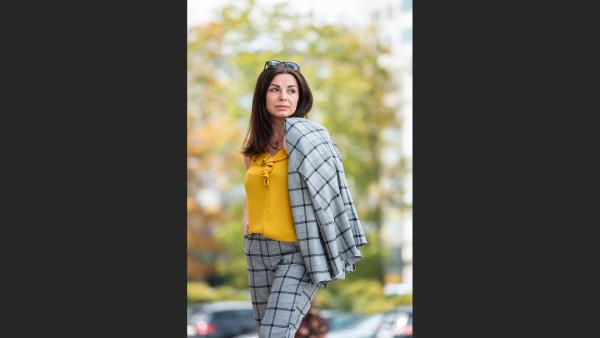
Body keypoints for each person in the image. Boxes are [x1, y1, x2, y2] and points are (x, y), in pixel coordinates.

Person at [241, 60, 367, 338]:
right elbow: (251, 191)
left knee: (273, 334)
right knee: (269, 333)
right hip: (257, 251)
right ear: (263, 97)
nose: (283, 97)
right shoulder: (254, 148)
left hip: (297, 252)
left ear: (301, 97)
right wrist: (247, 223)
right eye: (275, 90)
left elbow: (331, 191)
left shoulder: (311, 139)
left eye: (291, 90)